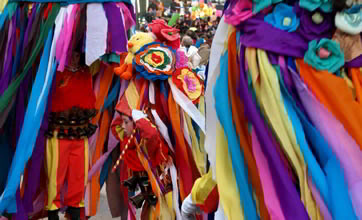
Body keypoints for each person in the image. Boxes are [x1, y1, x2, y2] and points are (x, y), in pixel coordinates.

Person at [45, 47, 97, 220]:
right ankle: (53, 213)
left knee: (78, 177)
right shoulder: (54, 71)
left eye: (78, 53)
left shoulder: (88, 70)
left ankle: (75, 212)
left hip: (80, 134)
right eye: (71, 53)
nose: (75, 57)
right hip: (58, 135)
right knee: (55, 178)